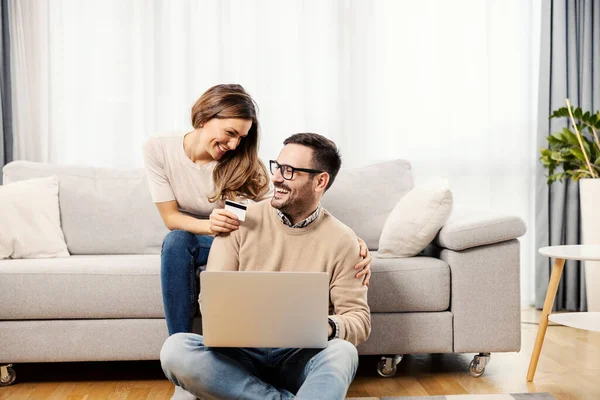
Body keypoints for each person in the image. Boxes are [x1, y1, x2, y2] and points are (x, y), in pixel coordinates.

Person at [143, 84, 373, 336]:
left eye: (241, 138)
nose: (233, 145)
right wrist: (212, 225)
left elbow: (293, 207)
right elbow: (171, 217)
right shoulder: (159, 148)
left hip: (231, 239)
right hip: (202, 238)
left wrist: (350, 244)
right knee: (177, 241)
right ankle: (180, 341)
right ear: (204, 118)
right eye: (230, 133)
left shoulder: (247, 165)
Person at [160, 133, 372, 400]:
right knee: (175, 349)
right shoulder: (238, 218)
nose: (277, 178)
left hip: (300, 356)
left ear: (320, 181)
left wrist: (325, 325)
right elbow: (212, 299)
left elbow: (359, 320)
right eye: (278, 167)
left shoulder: (343, 240)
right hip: (239, 357)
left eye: (290, 171)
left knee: (344, 353)